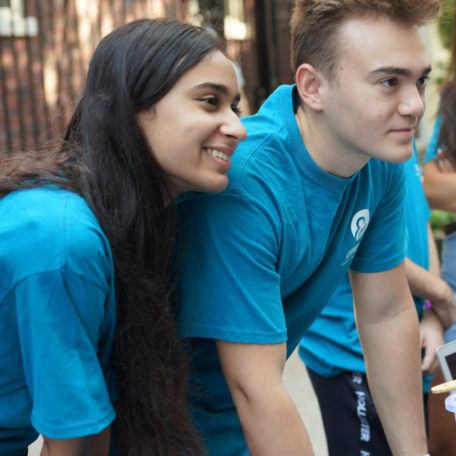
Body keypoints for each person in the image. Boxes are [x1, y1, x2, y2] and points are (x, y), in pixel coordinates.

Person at [176, 1, 440, 454]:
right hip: (166, 424)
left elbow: (386, 312)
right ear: (313, 87)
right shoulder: (246, 182)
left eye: (420, 81)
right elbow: (255, 390)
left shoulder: (379, 157)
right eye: (389, 82)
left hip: (240, 414)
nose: (414, 104)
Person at [0, 18, 245, 456]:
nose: (237, 128)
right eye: (210, 102)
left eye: (236, 107)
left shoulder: (129, 219)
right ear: (132, 108)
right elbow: (73, 439)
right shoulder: (61, 240)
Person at [299, 143, 453, 455]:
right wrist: (440, 294)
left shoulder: (399, 139)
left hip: (411, 343)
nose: (413, 103)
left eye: (419, 88)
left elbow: (421, 217)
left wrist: (431, 310)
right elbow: (364, 243)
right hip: (351, 351)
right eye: (391, 88)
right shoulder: (347, 144)